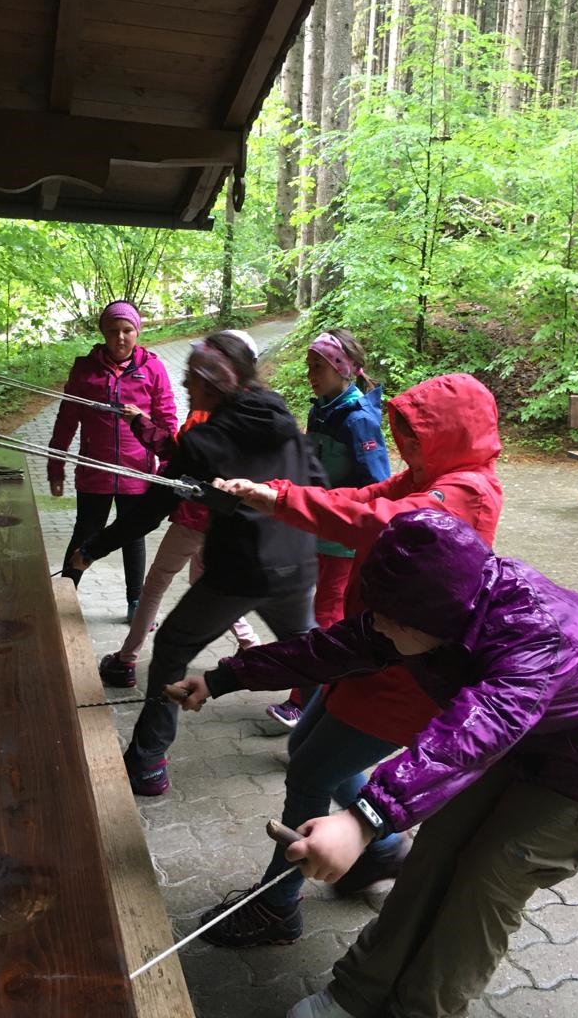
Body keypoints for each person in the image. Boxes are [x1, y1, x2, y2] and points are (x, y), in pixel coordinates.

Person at [172, 509, 578, 1018]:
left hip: (577, 768)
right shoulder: (422, 608)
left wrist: (364, 818)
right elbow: (331, 649)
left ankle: (420, 1010)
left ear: (433, 616)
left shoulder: (533, 636)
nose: (379, 624)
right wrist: (223, 678)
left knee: (489, 876)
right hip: (525, 740)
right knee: (436, 848)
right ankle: (357, 992)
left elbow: (478, 729)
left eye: (391, 619)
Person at [189, 372, 503, 945]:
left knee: (311, 771)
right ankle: (381, 849)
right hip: (370, 650)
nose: (406, 447)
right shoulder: (428, 476)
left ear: (453, 435)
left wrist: (279, 500)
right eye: (404, 435)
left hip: (406, 671)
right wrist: (273, 493)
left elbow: (380, 521)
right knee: (306, 752)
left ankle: (277, 905)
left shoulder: (467, 490)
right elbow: (362, 497)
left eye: (417, 437)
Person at [70, 332, 325, 795]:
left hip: (240, 570)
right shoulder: (281, 416)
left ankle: (148, 763)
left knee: (171, 646)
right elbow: (317, 481)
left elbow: (149, 511)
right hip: (296, 560)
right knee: (309, 655)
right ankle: (326, 747)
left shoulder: (206, 440)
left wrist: (91, 549)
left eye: (192, 378)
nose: (185, 385)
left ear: (214, 382)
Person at [99, 331, 261, 689]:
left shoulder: (209, 414)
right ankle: (252, 649)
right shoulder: (252, 412)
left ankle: (126, 660)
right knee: (206, 583)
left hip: (196, 518)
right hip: (222, 522)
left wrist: (140, 422)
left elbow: (176, 453)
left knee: (156, 583)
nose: (190, 380)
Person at [267, 329, 390, 730]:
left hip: (343, 540)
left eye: (317, 366)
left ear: (342, 368)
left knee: (324, 615)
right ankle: (325, 694)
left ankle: (306, 704)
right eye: (308, 366)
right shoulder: (321, 410)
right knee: (309, 610)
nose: (310, 375)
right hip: (316, 529)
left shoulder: (358, 420)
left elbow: (379, 486)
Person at [47, 299, 177, 622]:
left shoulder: (153, 369)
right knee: (85, 533)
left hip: (137, 471)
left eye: (127, 330)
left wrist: (167, 464)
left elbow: (167, 420)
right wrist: (55, 465)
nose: (120, 337)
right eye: (113, 330)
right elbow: (66, 420)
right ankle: (62, 599)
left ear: (137, 331)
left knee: (133, 535)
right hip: (95, 471)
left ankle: (135, 603)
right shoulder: (84, 370)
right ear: (103, 333)